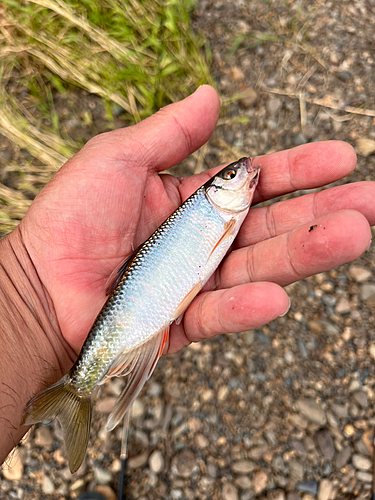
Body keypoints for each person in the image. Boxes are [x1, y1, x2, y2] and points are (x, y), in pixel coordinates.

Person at [0, 85, 374, 465]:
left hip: (147, 307)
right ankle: (77, 388)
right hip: (145, 310)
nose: (241, 171)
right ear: (213, 193)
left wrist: (30, 297)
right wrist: (32, 300)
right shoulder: (214, 213)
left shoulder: (218, 213)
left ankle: (79, 388)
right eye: (230, 175)